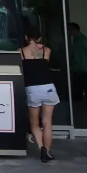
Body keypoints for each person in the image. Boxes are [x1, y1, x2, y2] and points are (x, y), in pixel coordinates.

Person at [21, 29, 58, 163]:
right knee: (47, 122)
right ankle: (47, 152)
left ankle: (41, 147)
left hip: (32, 88)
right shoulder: (46, 51)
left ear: (26, 37)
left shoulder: (20, 52)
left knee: (34, 123)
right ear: (40, 38)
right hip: (48, 87)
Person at [67, 22, 87, 103]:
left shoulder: (83, 40)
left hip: (85, 68)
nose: (69, 32)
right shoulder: (75, 40)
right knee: (77, 88)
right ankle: (78, 105)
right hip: (77, 68)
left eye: (70, 30)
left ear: (75, 30)